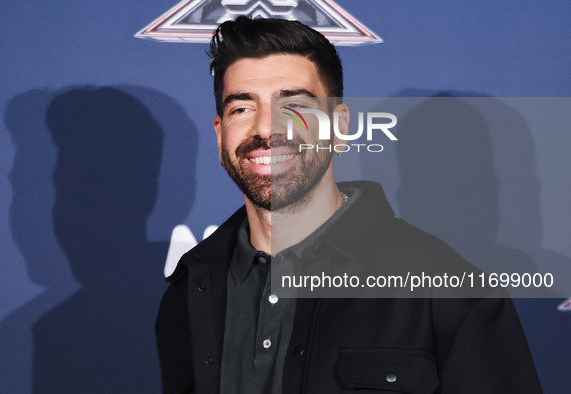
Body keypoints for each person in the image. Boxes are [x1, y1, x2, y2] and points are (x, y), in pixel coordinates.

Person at [156, 16, 542, 394]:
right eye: (242, 108)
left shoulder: (448, 290)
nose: (265, 128)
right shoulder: (190, 292)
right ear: (220, 135)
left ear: (339, 128)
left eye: (293, 105)